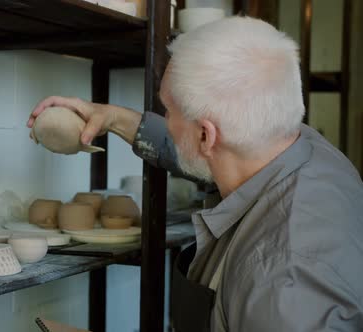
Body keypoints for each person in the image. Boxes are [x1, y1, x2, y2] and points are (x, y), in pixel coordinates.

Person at [27, 16, 363, 332]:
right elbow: (192, 154)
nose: (166, 119)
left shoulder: (283, 282)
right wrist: (111, 117)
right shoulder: (296, 146)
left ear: (206, 135)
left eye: (168, 111)